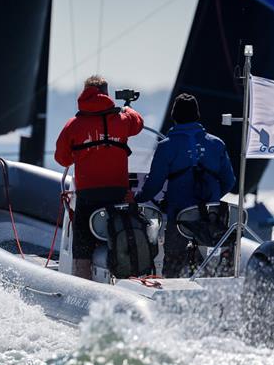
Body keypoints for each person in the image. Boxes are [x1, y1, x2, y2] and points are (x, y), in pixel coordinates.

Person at [134, 93, 235, 277]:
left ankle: (169, 296)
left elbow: (153, 186)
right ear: (197, 115)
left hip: (180, 220)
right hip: (210, 221)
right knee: (211, 266)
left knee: (173, 264)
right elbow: (230, 181)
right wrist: (210, 201)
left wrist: (136, 200)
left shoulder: (166, 147)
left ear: (174, 116)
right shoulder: (217, 144)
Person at [54, 75, 144, 279]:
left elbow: (62, 159)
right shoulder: (123, 119)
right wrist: (127, 108)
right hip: (118, 194)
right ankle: (126, 281)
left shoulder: (73, 125)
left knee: (82, 242)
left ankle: (81, 284)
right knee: (122, 234)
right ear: (106, 93)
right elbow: (138, 123)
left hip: (88, 196)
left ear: (84, 93)